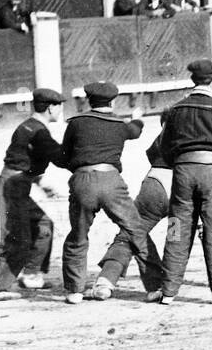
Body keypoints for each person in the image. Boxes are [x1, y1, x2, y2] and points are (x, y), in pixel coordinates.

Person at [145, 60, 212, 306]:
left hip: (182, 172)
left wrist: (179, 165)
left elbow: (164, 146)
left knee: (176, 229)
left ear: (193, 80)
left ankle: (169, 292)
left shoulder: (175, 111)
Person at [60, 80, 152, 305]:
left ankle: (74, 290)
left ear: (88, 100)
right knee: (136, 230)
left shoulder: (76, 123)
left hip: (82, 180)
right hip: (111, 180)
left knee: (78, 235)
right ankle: (155, 286)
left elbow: (64, 155)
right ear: (112, 101)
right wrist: (138, 117)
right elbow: (135, 131)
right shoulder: (120, 124)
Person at [0, 88, 69, 302]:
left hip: (14, 186)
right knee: (16, 239)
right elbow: (60, 158)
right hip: (11, 189)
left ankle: (31, 275)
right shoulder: (38, 131)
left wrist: (40, 182)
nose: (60, 109)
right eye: (59, 106)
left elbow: (20, 160)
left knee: (43, 226)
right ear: (51, 107)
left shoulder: (27, 127)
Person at [86, 133, 169, 301]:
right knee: (177, 238)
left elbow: (151, 152)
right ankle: (165, 287)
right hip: (184, 190)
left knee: (131, 232)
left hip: (156, 185)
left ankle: (106, 280)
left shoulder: (173, 121)